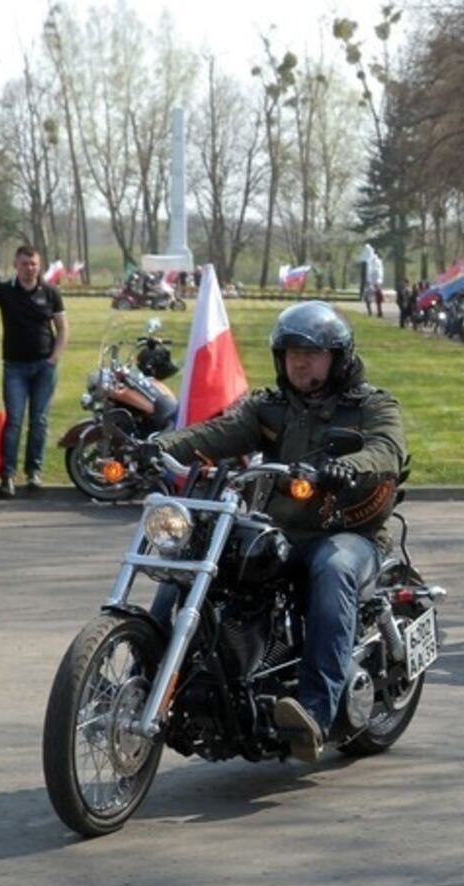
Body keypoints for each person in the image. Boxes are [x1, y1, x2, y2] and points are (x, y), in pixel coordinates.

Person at [150, 301, 409, 761]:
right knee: (194, 563)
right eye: (290, 352)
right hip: (279, 529)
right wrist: (158, 445)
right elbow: (217, 433)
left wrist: (345, 468)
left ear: (339, 358)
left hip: (347, 534)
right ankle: (159, 677)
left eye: (311, 352)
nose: (299, 361)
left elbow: (386, 451)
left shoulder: (372, 405)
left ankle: (314, 710)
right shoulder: (268, 408)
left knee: (333, 570)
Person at [0, 244, 69, 497]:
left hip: (44, 367)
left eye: (33, 264)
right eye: (24, 264)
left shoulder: (51, 292)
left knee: (39, 421)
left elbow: (63, 328)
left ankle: (34, 472)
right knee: (15, 421)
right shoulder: (4, 291)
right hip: (15, 368)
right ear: (16, 265)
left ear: (38, 266)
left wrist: (54, 358)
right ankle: (7, 476)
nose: (29, 269)